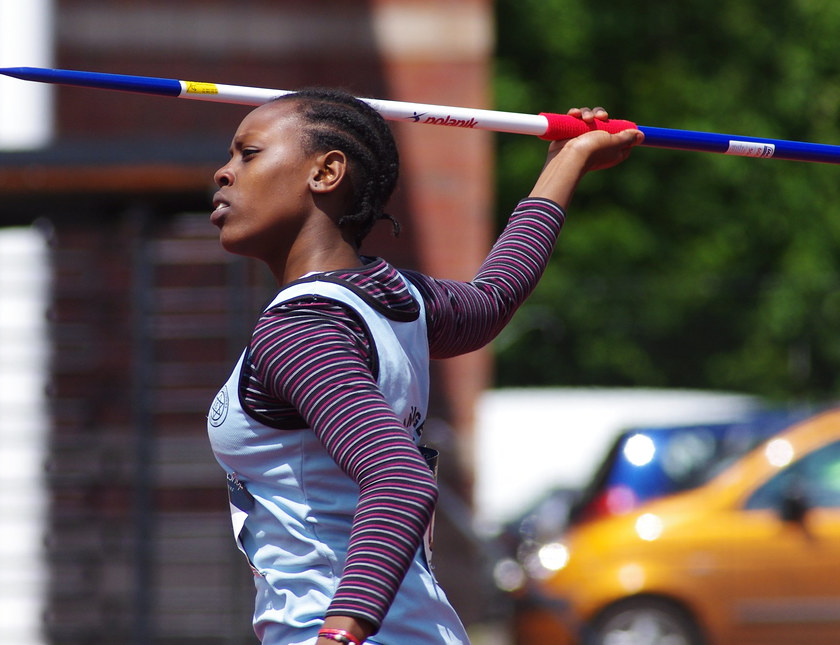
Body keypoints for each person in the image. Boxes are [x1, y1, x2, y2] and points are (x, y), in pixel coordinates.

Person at [205, 88, 642, 645]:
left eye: (249, 153)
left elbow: (400, 479)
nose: (223, 173)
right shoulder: (389, 299)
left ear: (326, 172)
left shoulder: (301, 329)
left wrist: (341, 633)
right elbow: (491, 300)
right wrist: (568, 162)